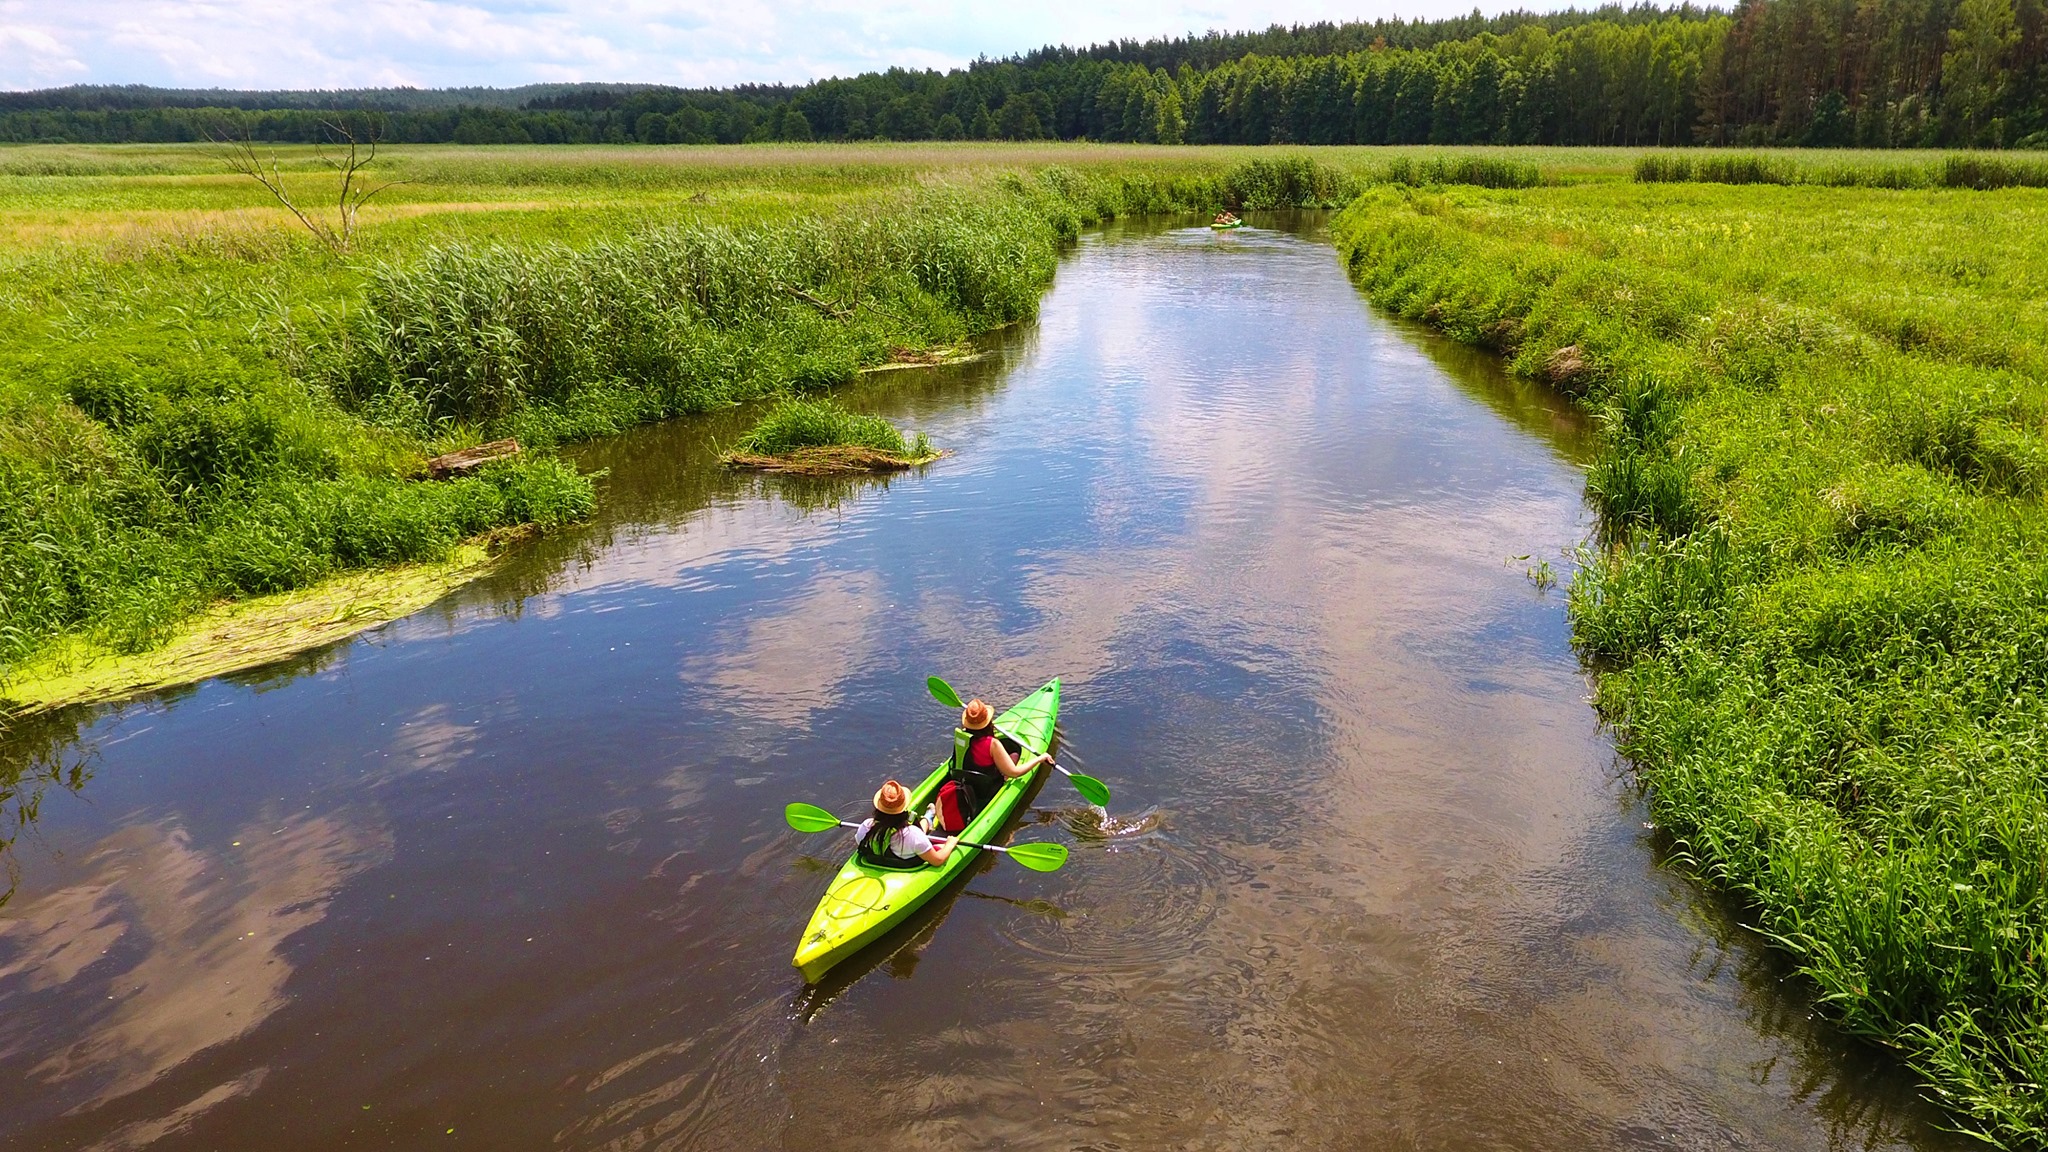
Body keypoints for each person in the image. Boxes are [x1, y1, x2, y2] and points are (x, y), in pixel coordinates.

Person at [939, 698, 1052, 831]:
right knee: (1014, 754)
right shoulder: (993, 744)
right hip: (987, 792)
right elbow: (1014, 773)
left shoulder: (961, 737)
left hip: (966, 785)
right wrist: (1040, 758)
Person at [853, 779, 955, 868]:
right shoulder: (913, 834)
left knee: (918, 838)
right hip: (908, 858)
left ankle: (929, 816)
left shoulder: (865, 826)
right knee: (941, 846)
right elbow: (937, 861)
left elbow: (860, 843)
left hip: (903, 847)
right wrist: (950, 843)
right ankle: (929, 816)